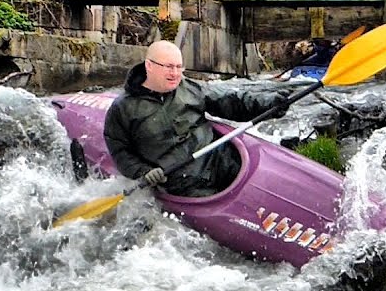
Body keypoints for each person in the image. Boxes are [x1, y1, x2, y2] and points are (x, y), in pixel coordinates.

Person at [103, 40, 287, 198]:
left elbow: (231, 102)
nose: (175, 73)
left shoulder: (190, 88)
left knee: (263, 189)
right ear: (149, 66)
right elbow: (120, 150)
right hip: (182, 182)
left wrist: (268, 104)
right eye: (168, 67)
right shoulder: (123, 108)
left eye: (178, 67)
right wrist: (143, 172)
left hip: (219, 160)